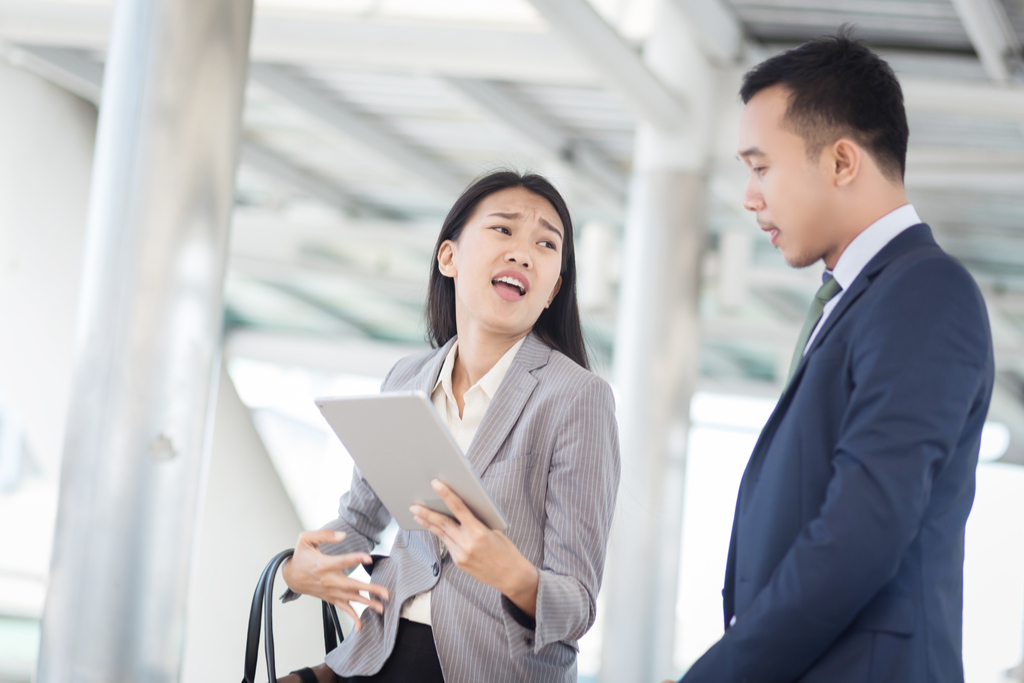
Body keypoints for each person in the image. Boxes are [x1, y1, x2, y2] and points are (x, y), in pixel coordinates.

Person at [670, 31, 994, 683]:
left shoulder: (924, 291)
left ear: (842, 161)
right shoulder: (863, 300)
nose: (748, 195)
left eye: (761, 166)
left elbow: (861, 531)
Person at [278, 170, 620, 683]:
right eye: (503, 230)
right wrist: (298, 569)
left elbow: (577, 606)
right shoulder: (407, 378)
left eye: (546, 244)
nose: (523, 253)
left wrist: (515, 576)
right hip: (378, 653)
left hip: (492, 668)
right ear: (449, 257)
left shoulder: (578, 399)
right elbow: (359, 522)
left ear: (552, 290)